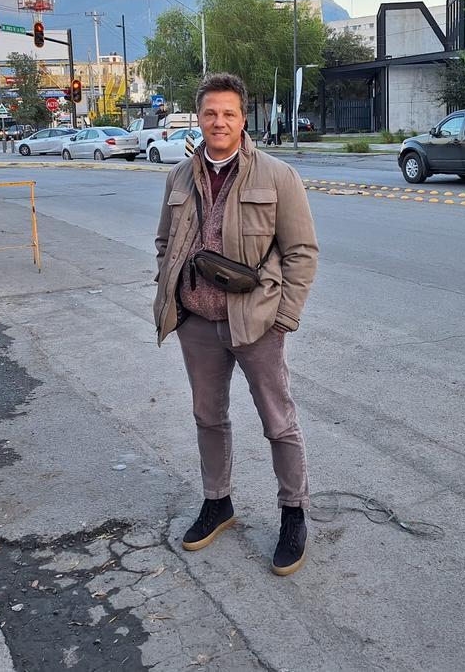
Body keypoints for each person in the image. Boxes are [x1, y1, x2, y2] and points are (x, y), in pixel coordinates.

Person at [154, 73, 319, 576]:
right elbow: (165, 242)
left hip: (256, 323)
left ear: (243, 118)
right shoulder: (179, 177)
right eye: (210, 113)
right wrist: (174, 291)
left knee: (278, 420)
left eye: (228, 113)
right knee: (209, 416)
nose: (219, 122)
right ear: (198, 118)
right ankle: (217, 502)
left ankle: (293, 513)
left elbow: (301, 252)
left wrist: (284, 317)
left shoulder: (277, 176)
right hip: (197, 323)